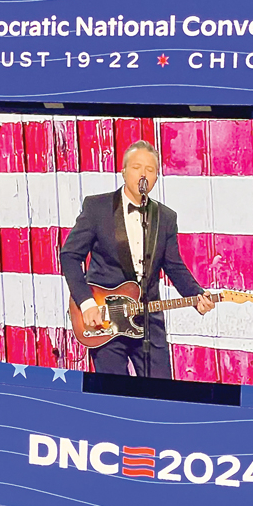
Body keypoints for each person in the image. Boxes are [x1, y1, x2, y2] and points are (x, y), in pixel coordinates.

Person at [59, 139, 214, 377]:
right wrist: (86, 303)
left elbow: (174, 266)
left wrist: (196, 296)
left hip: (149, 322)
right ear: (123, 172)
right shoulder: (96, 208)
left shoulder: (166, 217)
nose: (143, 173)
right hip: (105, 319)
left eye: (150, 169)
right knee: (114, 394)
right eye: (136, 167)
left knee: (162, 395)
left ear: (156, 178)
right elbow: (70, 255)